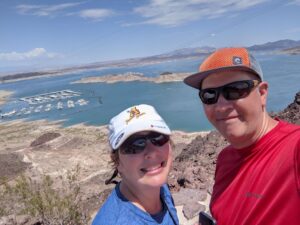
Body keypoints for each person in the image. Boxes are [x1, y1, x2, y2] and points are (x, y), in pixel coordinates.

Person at [183, 47, 300, 225]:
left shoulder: (294, 149)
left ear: (262, 93)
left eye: (235, 90)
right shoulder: (224, 159)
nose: (221, 106)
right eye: (209, 95)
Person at [92, 104, 179, 225]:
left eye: (159, 138)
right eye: (134, 145)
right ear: (118, 162)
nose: (152, 152)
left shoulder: (160, 188)